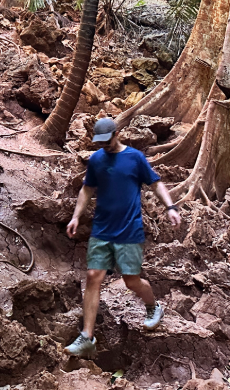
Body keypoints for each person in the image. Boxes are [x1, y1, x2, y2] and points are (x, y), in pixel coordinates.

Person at [64, 117, 181, 358]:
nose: (104, 146)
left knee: (131, 281)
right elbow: (86, 189)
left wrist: (170, 207)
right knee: (93, 276)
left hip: (129, 231)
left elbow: (156, 183)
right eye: (100, 142)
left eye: (107, 140)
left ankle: (153, 307)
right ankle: (87, 337)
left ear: (117, 134)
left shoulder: (135, 158)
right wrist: (76, 216)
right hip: (101, 230)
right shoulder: (96, 160)